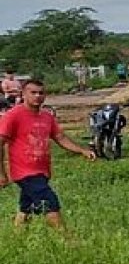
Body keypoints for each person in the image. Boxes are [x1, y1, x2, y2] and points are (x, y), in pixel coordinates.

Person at [0, 78, 96, 228]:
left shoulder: (47, 116)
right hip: (24, 172)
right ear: (23, 94)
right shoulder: (13, 116)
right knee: (49, 202)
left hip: (42, 171)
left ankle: (17, 236)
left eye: (41, 93)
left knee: (26, 206)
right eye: (33, 93)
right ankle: (67, 240)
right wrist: (2, 173)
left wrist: (82, 150)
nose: (37, 96)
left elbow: (60, 137)